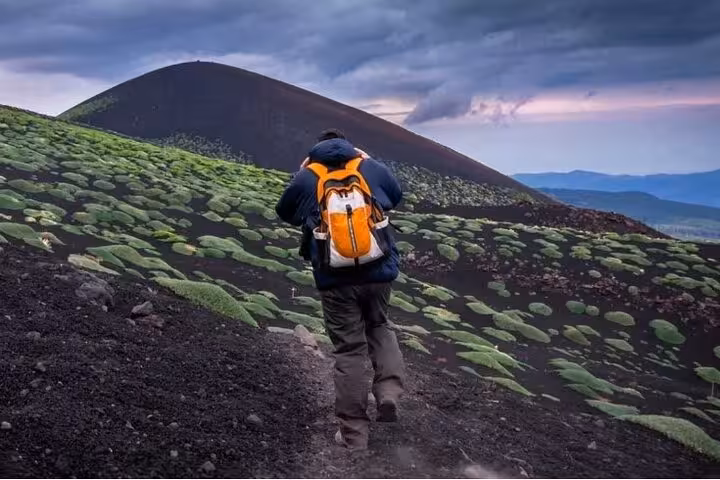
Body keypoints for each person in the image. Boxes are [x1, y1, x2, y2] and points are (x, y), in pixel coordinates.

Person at [275, 129, 405, 450]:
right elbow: (395, 194)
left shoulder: (309, 175)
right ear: (349, 146)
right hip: (378, 271)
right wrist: (367, 159)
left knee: (350, 350)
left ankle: (354, 435)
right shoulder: (366, 167)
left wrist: (302, 173)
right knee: (379, 326)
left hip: (336, 279)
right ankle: (388, 394)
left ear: (316, 149)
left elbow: (285, 211)